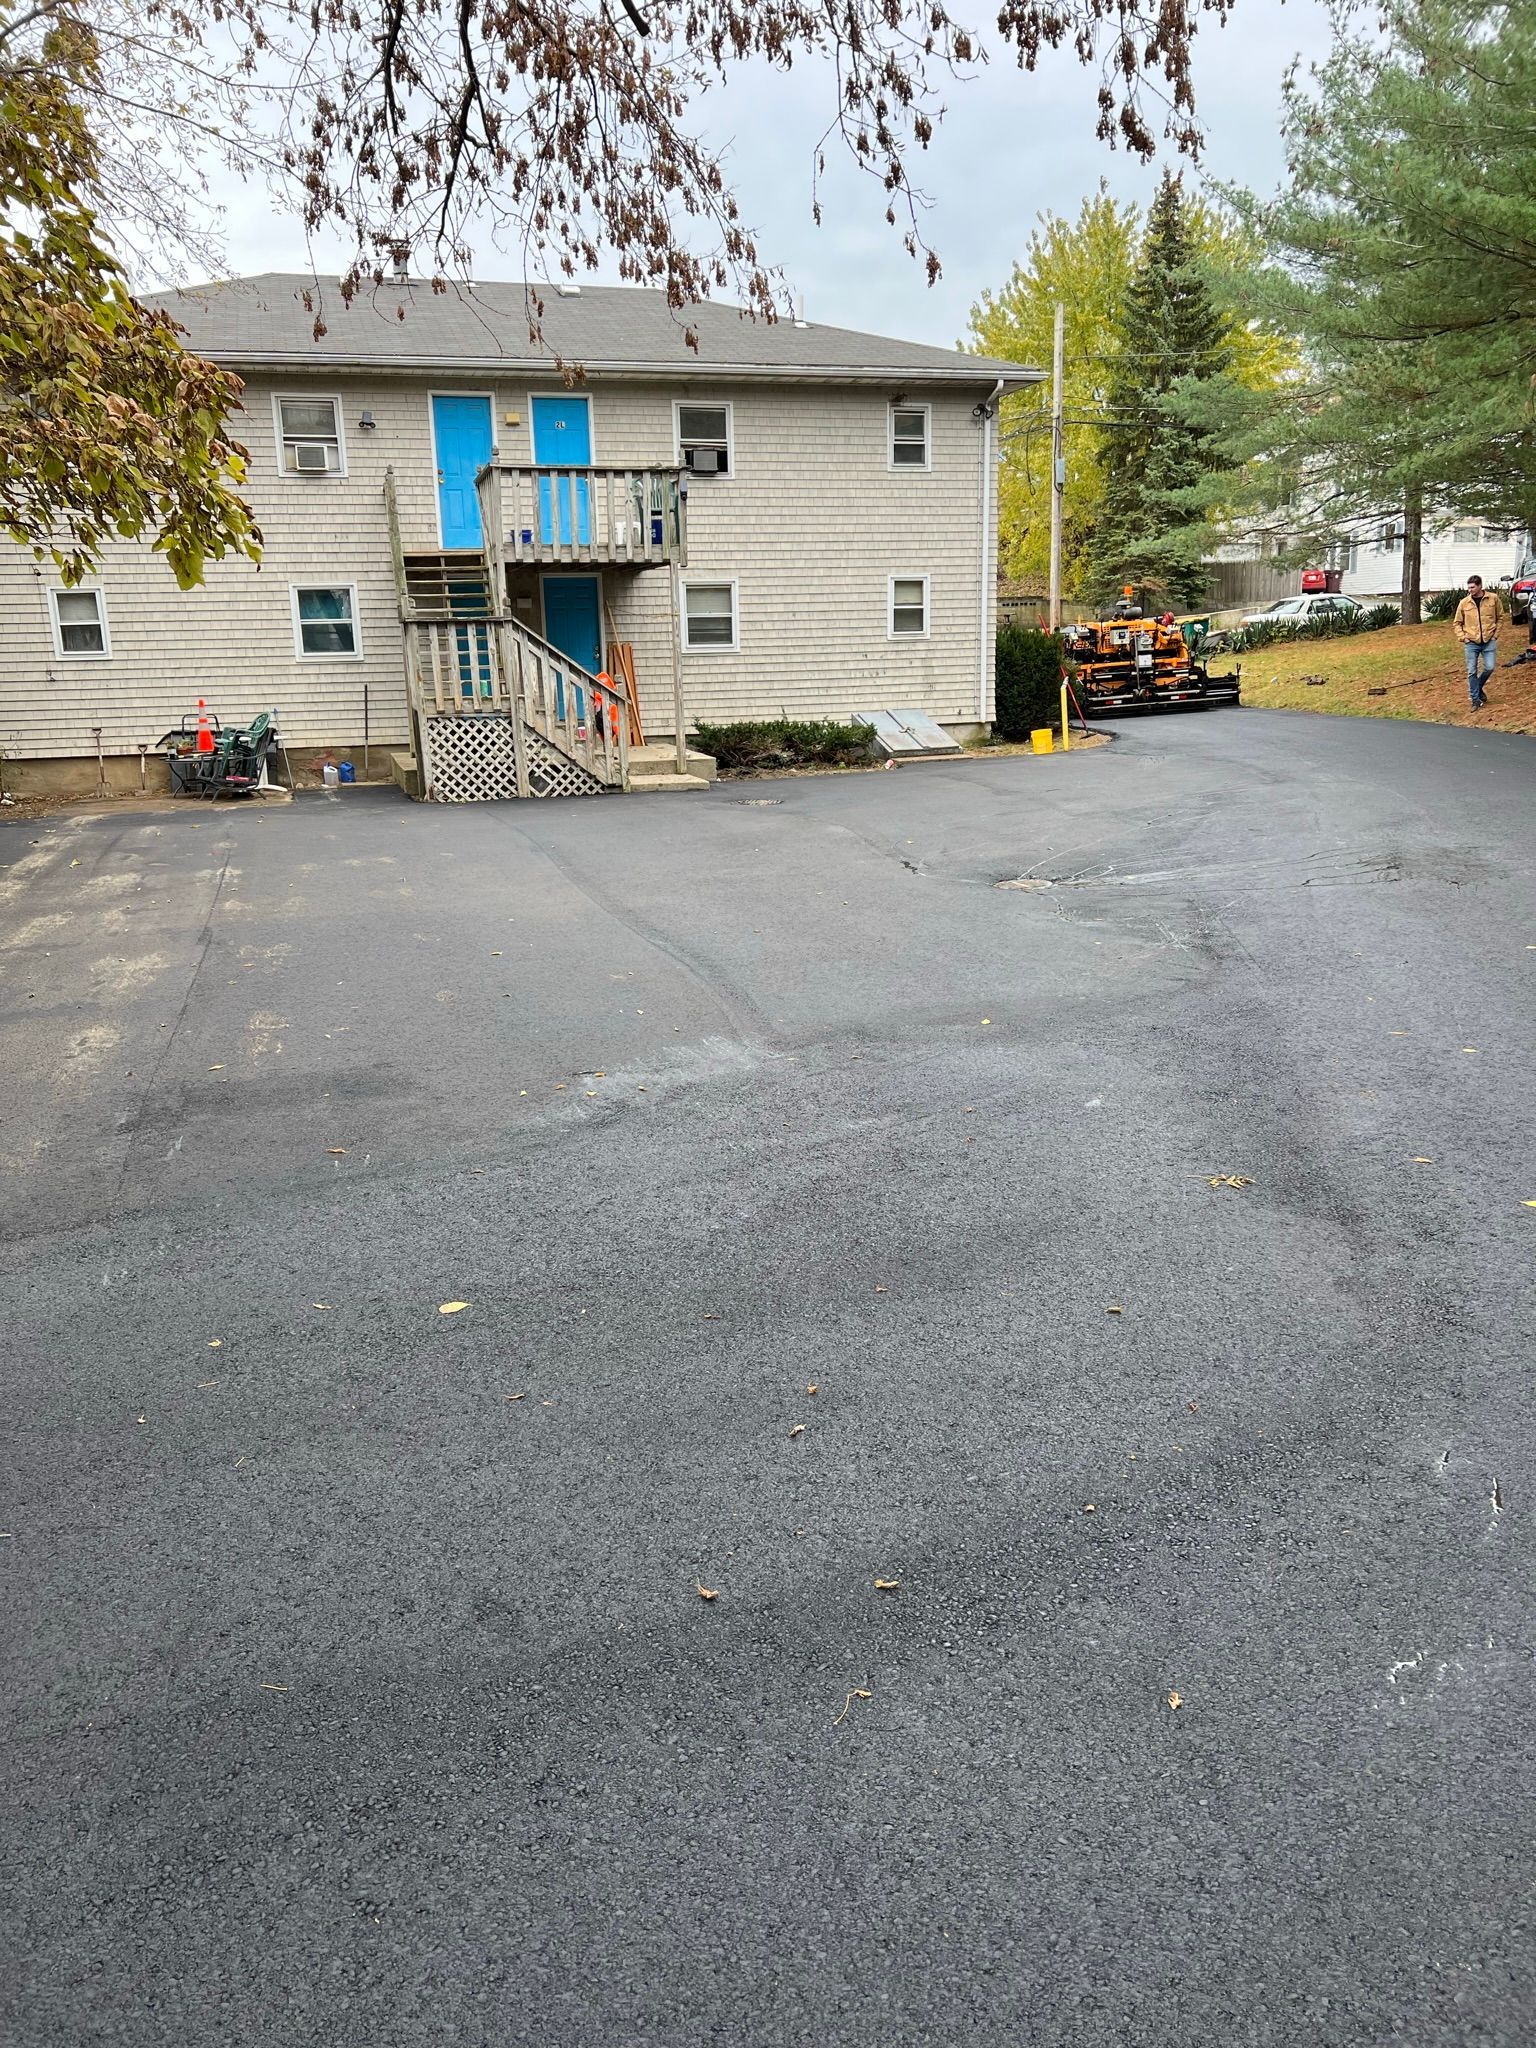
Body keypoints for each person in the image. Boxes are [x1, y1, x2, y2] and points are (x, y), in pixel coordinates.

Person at [1453, 575, 1504, 708]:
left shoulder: (1493, 598)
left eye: (1473, 587)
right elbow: (1457, 623)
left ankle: (1478, 686)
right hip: (1471, 642)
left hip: (1488, 640)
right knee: (1471, 671)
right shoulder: (1464, 603)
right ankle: (1475, 699)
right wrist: (1463, 637)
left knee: (1490, 667)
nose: (1470, 590)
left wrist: (1495, 635)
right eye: (1469, 587)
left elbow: (1500, 617)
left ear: (1480, 586)